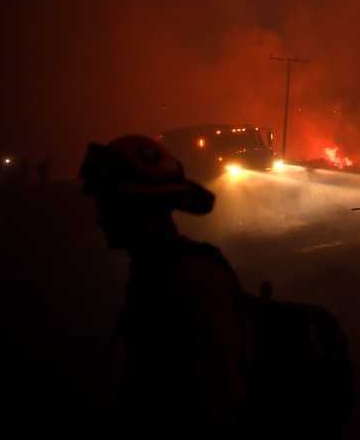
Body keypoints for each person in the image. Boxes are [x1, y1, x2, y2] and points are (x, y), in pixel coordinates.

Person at [78, 135, 253, 439]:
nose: (98, 218)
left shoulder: (194, 281)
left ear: (139, 207)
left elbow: (219, 409)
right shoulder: (154, 272)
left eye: (107, 204)